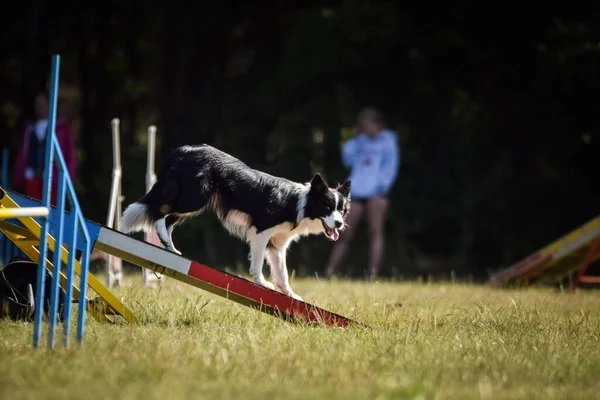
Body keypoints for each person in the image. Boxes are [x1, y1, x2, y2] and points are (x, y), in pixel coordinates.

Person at [325, 107, 400, 281]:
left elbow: (390, 167)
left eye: (367, 125)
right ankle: (330, 271)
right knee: (344, 232)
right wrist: (354, 138)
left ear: (376, 124)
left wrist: (381, 188)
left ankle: (372, 275)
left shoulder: (388, 141)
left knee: (375, 232)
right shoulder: (360, 141)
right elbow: (347, 158)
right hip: (357, 191)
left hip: (377, 193)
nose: (365, 129)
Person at [12, 92, 77, 205]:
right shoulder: (29, 127)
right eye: (37, 104)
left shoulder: (61, 128)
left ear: (50, 105)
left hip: (52, 179)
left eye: (42, 104)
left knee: (50, 211)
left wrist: (68, 179)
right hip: (31, 176)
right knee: (30, 209)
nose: (39, 107)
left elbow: (69, 155)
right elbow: (23, 152)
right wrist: (18, 175)